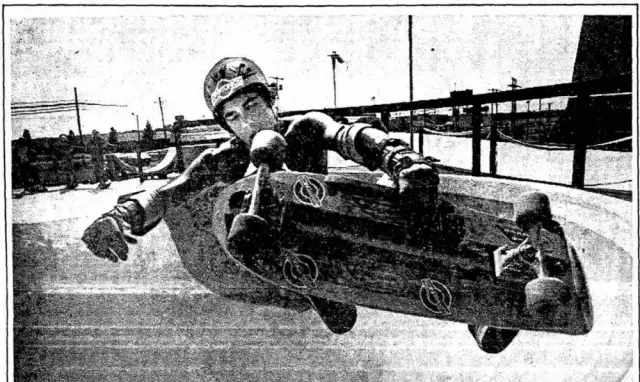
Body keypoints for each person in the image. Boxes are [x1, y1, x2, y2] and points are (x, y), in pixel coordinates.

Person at [82, 57, 439, 328]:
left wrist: (399, 159)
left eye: (253, 107)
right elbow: (169, 192)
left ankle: (474, 307)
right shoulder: (223, 158)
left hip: (337, 216)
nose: (248, 122)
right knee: (242, 229)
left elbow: (343, 135)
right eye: (234, 117)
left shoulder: (304, 128)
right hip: (290, 243)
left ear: (272, 105)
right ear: (227, 126)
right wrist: (120, 216)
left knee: (408, 202)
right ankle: (311, 284)